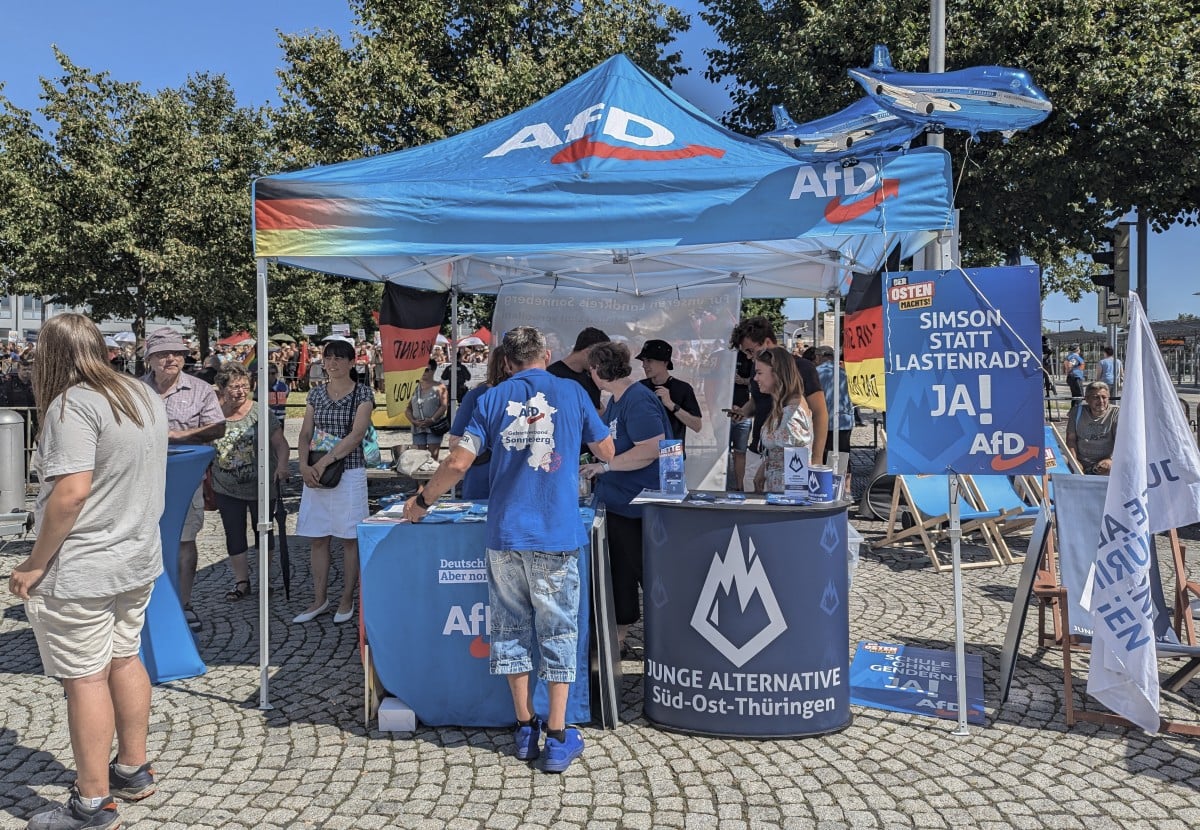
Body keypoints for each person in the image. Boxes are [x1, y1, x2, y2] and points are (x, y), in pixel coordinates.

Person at [402, 326, 614, 773]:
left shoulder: (490, 398)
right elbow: (608, 450)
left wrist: (422, 501)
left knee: (511, 629)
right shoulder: (573, 392)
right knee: (558, 630)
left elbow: (459, 461)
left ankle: (524, 728)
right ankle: (557, 735)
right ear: (547, 353)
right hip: (554, 533)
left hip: (505, 534)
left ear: (507, 359)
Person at [10, 313, 167, 830]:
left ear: (50, 356)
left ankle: (93, 804)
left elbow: (71, 493)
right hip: (136, 556)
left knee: (85, 678)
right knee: (124, 658)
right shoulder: (141, 393)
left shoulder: (73, 404)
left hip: (83, 565)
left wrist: (34, 564)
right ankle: (132, 768)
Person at [581, 342, 672, 655]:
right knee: (619, 576)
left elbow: (650, 448)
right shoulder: (619, 400)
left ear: (597, 371)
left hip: (638, 506)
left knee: (645, 574)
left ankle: (669, 645)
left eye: (590, 369)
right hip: (620, 504)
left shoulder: (637, 400)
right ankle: (617, 640)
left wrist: (604, 466)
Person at [141, 327, 225, 632]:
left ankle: (183, 604)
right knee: (142, 541)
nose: (171, 359)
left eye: (176, 353)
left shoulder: (200, 390)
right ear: (149, 358)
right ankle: (147, 605)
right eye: (163, 354)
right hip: (141, 479)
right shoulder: (136, 390)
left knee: (184, 541)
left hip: (185, 480)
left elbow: (218, 428)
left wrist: (179, 436)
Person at [294, 337, 375, 624]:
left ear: (352, 362)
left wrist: (325, 461)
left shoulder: (362, 394)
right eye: (329, 358)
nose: (333, 363)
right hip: (316, 471)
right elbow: (305, 433)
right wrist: (304, 465)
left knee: (349, 538)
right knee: (318, 537)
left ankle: (346, 598)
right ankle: (319, 598)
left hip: (348, 470)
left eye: (340, 358)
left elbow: (356, 435)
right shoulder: (316, 395)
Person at [210, 364, 291, 601]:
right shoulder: (213, 413)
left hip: (262, 485)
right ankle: (241, 581)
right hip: (225, 485)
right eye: (234, 386)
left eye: (244, 386)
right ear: (222, 388)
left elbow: (281, 444)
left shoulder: (259, 412)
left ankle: (265, 579)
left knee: (264, 532)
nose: (240, 391)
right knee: (234, 534)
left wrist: (283, 465)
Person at [731, 317, 828, 482]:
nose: (748, 357)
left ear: (767, 342)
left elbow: (820, 413)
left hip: (790, 463)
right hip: (760, 450)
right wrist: (744, 411)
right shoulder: (758, 369)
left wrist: (816, 461)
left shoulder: (803, 368)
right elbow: (758, 401)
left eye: (750, 351)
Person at [448, 348, 512, 500]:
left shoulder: (531, 396)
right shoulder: (476, 396)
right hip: (483, 481)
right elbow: (453, 444)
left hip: (515, 484)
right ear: (507, 365)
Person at [752, 347, 814, 493]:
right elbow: (781, 451)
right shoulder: (783, 404)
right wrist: (765, 466)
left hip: (788, 494)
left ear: (777, 374)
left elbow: (796, 462)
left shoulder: (793, 410)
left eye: (760, 373)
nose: (756, 378)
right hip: (779, 490)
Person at [636, 339, 702, 450]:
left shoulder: (683, 388)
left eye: (649, 360)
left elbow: (697, 425)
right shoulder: (640, 387)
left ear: (665, 362)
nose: (644, 365)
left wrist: (671, 405)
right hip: (644, 448)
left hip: (671, 449)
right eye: (643, 361)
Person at [547, 327, 609, 412]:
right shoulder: (552, 376)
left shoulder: (593, 375)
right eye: (600, 357)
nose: (600, 362)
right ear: (588, 352)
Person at [1065, 381, 1119, 475]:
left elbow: (1122, 442)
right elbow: (1071, 440)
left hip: (1105, 462)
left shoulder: (1116, 413)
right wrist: (1074, 461)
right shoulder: (1077, 412)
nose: (1101, 401)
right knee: (1056, 463)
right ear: (1087, 399)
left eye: (1104, 397)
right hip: (1081, 460)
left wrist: (1111, 460)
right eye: (1096, 397)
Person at [813, 345, 854, 466]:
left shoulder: (816, 373)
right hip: (844, 421)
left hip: (823, 422)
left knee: (823, 458)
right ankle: (845, 484)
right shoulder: (845, 373)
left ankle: (825, 483)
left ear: (818, 357)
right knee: (842, 459)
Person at [406, 359, 450, 460]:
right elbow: (408, 408)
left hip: (434, 426)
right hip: (417, 426)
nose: (423, 372)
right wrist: (413, 421)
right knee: (418, 456)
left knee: (433, 456)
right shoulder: (413, 387)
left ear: (433, 370)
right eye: (421, 370)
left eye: (426, 370)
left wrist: (432, 419)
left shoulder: (440, 387)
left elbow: (443, 406)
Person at [726, 348, 754, 491]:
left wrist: (742, 380)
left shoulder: (746, 357)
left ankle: (739, 487)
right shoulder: (720, 354)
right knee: (723, 452)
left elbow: (755, 379)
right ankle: (720, 486)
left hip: (743, 411)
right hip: (723, 411)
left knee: (740, 451)